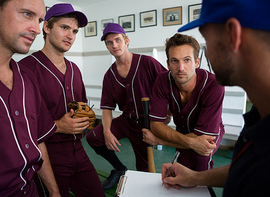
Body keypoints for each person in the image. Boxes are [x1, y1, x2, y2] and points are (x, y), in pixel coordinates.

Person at [161, 0, 270, 196]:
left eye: (206, 41)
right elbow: (243, 168)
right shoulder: (260, 114)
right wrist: (196, 178)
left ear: (232, 36)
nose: (208, 53)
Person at [0, 0, 60, 196]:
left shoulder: (25, 77)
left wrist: (54, 192)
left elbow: (37, 139)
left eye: (39, 20)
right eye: (27, 14)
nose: (37, 29)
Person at [19, 4, 105, 197]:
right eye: (64, 28)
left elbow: (82, 105)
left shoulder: (74, 69)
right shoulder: (25, 69)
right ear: (47, 27)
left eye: (74, 31)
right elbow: (20, 127)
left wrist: (85, 119)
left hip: (78, 151)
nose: (71, 36)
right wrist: (58, 126)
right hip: (47, 156)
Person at [86, 23, 167, 189]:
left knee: (143, 169)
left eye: (117, 40)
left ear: (126, 40)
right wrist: (107, 132)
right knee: (93, 137)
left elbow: (169, 87)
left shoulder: (148, 63)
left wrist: (167, 117)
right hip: (126, 120)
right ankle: (119, 168)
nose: (114, 45)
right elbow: (107, 108)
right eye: (109, 42)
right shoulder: (109, 75)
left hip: (147, 124)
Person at [143, 33, 225, 171]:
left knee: (199, 160)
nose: (180, 68)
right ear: (168, 64)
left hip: (208, 132)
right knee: (180, 170)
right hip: (183, 132)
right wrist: (190, 142)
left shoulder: (214, 85)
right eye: (175, 61)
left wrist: (159, 141)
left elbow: (201, 139)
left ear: (197, 62)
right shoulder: (162, 80)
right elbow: (156, 125)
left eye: (187, 60)